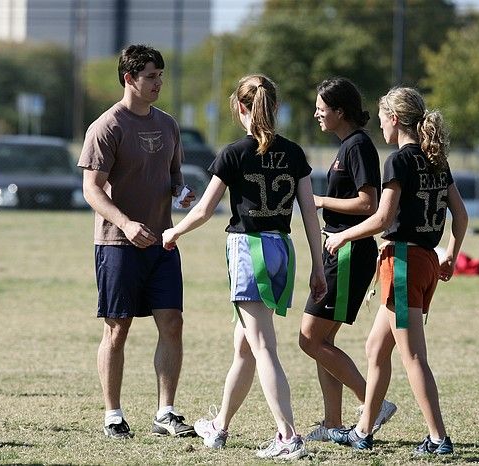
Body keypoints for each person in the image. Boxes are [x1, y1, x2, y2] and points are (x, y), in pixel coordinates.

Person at [162, 74, 327, 460]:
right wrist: (318, 267)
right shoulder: (294, 153)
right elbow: (308, 215)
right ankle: (220, 426)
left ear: (240, 107)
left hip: (249, 250)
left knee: (263, 346)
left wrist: (174, 233)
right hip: (282, 250)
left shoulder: (234, 152)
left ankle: (288, 436)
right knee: (245, 346)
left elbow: (204, 209)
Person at [324, 87, 467, 454]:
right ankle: (363, 431)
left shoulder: (399, 161)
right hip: (425, 261)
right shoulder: (436, 159)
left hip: (402, 261)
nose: (381, 126)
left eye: (383, 117)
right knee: (375, 347)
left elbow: (383, 218)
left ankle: (439, 438)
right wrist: (450, 254)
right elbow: (461, 215)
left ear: (394, 119)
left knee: (413, 355)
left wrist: (342, 238)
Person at [77, 44, 196, 440]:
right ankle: (113, 414)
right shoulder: (107, 126)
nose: (158, 82)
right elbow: (92, 190)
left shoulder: (168, 125)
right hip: (117, 244)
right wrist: (126, 224)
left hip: (162, 243)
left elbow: (174, 177)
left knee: (173, 324)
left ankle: (166, 412)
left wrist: (181, 194)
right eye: (150, 76)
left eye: (160, 75)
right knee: (117, 329)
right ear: (129, 78)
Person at [299, 77, 397, 442]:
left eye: (322, 109)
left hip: (349, 252)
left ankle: (375, 401)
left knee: (310, 339)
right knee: (324, 342)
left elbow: (368, 203)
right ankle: (332, 423)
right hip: (336, 249)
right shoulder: (346, 145)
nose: (316, 114)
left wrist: (321, 201)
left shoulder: (358, 146)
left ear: (340, 111)